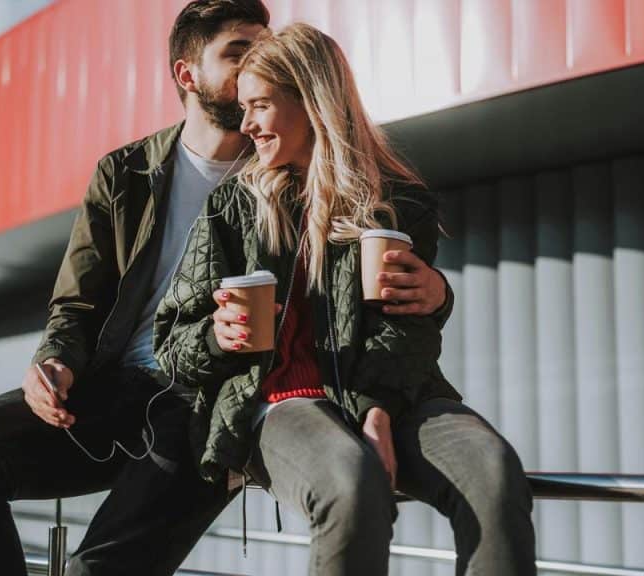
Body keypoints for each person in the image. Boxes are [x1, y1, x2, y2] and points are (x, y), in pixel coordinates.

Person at [0, 2, 452, 575]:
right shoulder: (125, 173)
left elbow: (350, 276)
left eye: (264, 47)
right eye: (238, 50)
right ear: (187, 74)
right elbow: (77, 301)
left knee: (94, 570)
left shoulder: (285, 162)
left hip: (208, 400)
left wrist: (437, 290)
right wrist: (53, 360)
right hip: (112, 390)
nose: (258, 62)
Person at [153, 23, 536, 576]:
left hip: (396, 395)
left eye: (259, 105)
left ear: (310, 98)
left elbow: (406, 327)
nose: (248, 124)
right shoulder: (232, 209)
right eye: (244, 107)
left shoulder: (398, 201)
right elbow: (170, 342)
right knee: (350, 482)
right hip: (277, 400)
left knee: (495, 474)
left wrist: (377, 410)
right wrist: (218, 335)